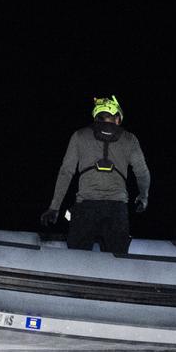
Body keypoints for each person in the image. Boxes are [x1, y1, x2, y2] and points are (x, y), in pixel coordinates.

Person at [41, 95, 150, 253]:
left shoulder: (79, 135)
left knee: (78, 259)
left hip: (85, 208)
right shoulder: (130, 139)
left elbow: (66, 172)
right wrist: (143, 197)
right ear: (117, 118)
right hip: (117, 210)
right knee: (117, 261)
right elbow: (142, 173)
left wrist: (54, 207)